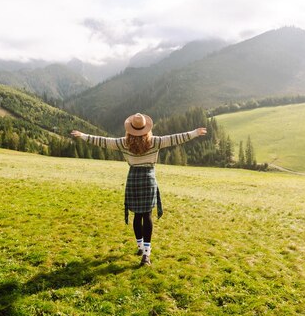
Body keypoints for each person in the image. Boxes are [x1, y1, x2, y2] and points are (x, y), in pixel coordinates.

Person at [71, 113, 207, 266]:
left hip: (133, 179)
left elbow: (102, 141)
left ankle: (140, 247)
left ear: (130, 129)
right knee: (147, 215)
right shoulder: (155, 142)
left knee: (137, 215)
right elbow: (176, 138)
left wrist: (82, 135)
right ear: (146, 128)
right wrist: (195, 133)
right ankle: (146, 256)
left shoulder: (123, 143)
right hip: (148, 179)